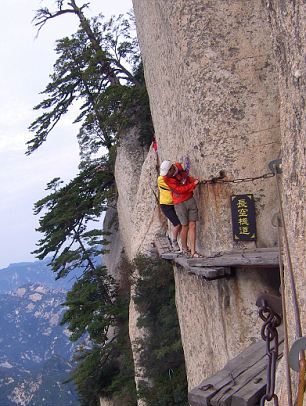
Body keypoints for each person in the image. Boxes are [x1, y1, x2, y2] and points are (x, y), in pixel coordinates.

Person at [160, 160, 200, 257]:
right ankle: (185, 248)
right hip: (179, 203)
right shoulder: (166, 179)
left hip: (190, 199)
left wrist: (192, 180)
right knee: (184, 225)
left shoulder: (178, 167)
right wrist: (193, 184)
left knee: (193, 225)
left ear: (171, 168)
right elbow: (179, 190)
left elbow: (185, 177)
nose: (166, 175)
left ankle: (193, 251)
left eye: (167, 172)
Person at [158, 162, 182, 251]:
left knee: (181, 223)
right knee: (177, 224)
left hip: (174, 203)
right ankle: (174, 242)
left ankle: (180, 241)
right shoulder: (161, 179)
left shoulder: (171, 175)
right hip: (166, 205)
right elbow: (175, 186)